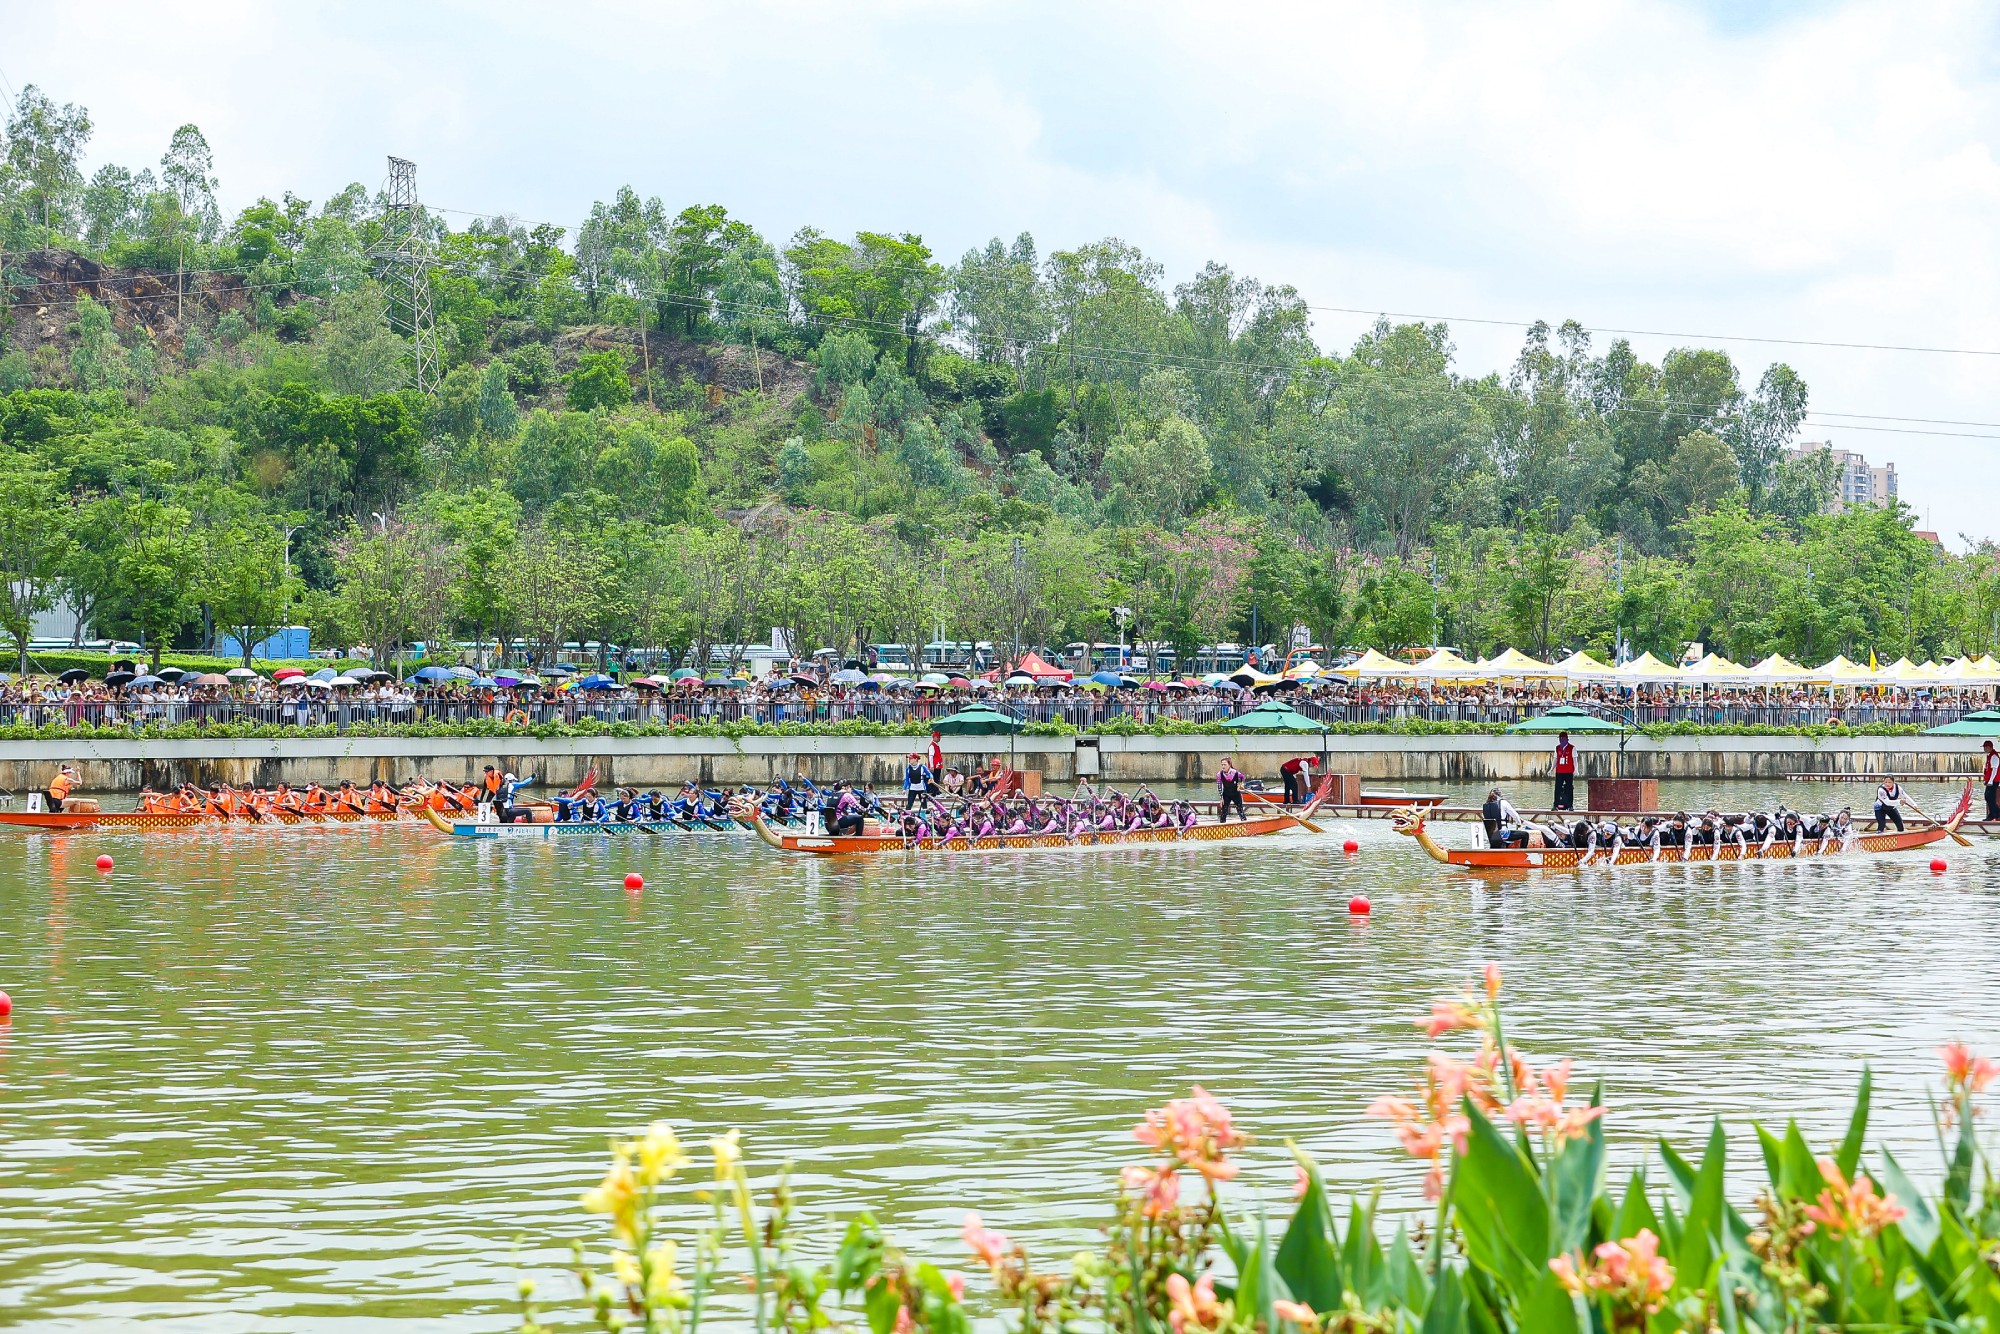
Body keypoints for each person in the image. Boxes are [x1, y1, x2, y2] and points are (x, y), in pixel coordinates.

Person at [1216, 757, 1246, 822]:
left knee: (1240, 810)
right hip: (1226, 794)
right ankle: (1222, 825)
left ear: (1229, 765)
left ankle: (1245, 824)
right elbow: (1219, 786)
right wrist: (1221, 798)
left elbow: (1243, 777)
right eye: (1222, 765)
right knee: (1224, 812)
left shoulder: (1235, 772)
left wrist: (1242, 784)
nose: (1223, 766)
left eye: (1225, 765)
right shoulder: (1219, 774)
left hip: (1236, 793)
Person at [1551, 732, 1576, 811]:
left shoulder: (1572, 748)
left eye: (1563, 738)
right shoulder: (1557, 748)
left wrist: (1576, 770)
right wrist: (1551, 768)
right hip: (1559, 771)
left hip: (1569, 771)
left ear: (1567, 739)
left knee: (1569, 788)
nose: (1562, 740)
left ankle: (1570, 806)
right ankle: (1555, 805)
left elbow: (1575, 760)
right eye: (1560, 738)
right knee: (1557, 788)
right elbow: (1555, 759)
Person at [1984, 741, 2000, 822]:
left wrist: (1990, 781)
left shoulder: (1994, 756)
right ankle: (1995, 814)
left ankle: (1993, 815)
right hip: (1990, 780)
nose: (1984, 749)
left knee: (1990, 797)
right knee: (1988, 797)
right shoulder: (1990, 756)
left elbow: (1995, 770)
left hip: (1993, 781)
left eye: (1986, 747)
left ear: (1990, 747)